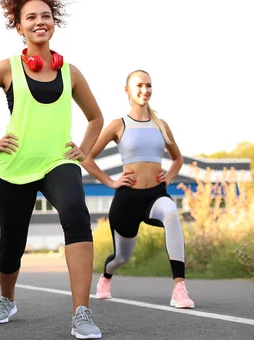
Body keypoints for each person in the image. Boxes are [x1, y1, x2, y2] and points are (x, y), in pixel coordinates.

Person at [0, 0, 104, 339]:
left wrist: (82, 151)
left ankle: (81, 312)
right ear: (19, 26)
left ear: (54, 23)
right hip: (14, 167)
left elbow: (96, 118)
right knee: (11, 246)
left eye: (46, 16)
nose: (40, 22)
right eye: (31, 17)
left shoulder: (71, 72)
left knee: (76, 215)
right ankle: (7, 298)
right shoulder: (6, 69)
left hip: (58, 161)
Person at [81, 69, 195, 309]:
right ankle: (106, 276)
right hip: (127, 199)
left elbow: (177, 159)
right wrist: (111, 182)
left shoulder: (160, 125)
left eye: (149, 85)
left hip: (155, 195)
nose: (145, 90)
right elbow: (87, 158)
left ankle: (179, 288)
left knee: (172, 213)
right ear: (127, 90)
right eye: (140, 85)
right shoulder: (118, 125)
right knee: (121, 257)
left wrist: (168, 178)